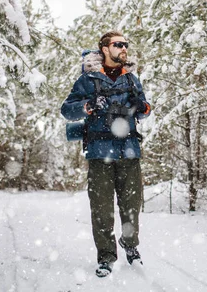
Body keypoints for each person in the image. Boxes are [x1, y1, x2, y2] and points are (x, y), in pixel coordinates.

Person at [61, 31, 151, 277]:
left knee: (132, 206)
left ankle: (131, 247)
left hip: (130, 152)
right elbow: (67, 110)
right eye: (118, 45)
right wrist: (87, 106)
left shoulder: (132, 79)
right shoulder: (88, 81)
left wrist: (141, 106)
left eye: (126, 45)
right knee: (102, 209)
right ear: (104, 49)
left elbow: (145, 110)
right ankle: (106, 257)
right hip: (100, 153)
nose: (124, 49)